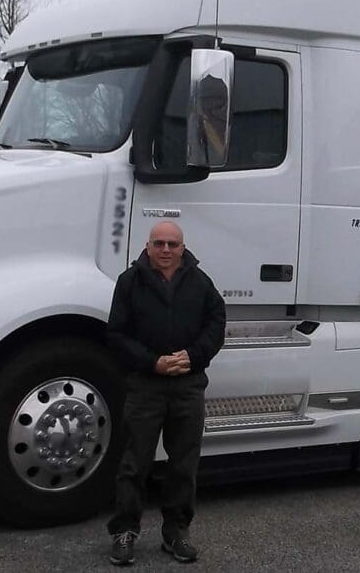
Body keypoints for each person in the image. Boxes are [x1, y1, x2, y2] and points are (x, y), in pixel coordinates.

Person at [106, 221, 226, 566]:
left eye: (173, 244)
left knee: (183, 464)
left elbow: (216, 323)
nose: (166, 250)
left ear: (183, 247)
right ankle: (124, 531)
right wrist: (152, 363)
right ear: (147, 246)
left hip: (188, 386)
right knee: (134, 463)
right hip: (145, 386)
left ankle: (176, 532)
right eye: (159, 243)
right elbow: (116, 335)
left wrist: (194, 355)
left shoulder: (202, 284)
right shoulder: (129, 283)